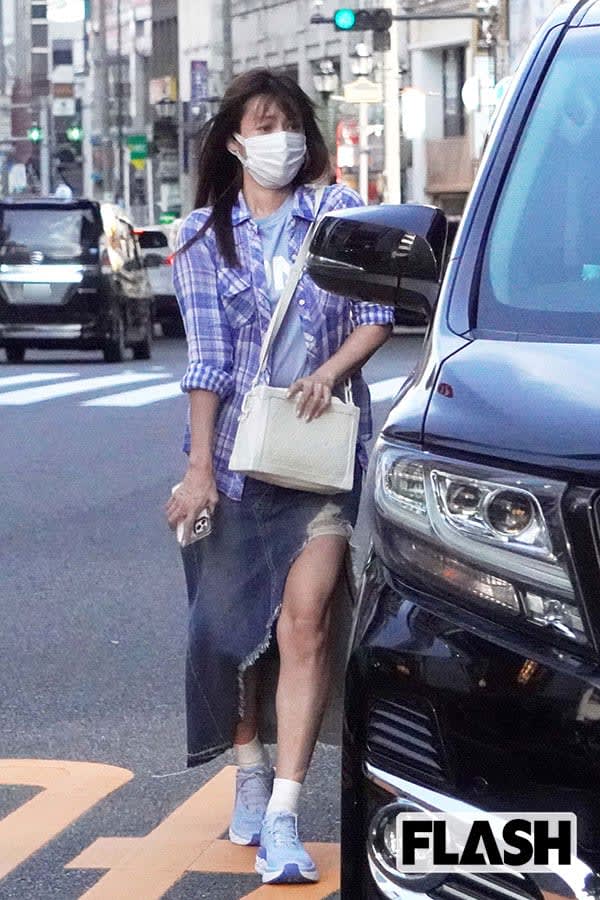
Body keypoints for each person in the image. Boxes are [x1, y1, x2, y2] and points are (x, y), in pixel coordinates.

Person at [165, 68, 394, 886]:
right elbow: (207, 361)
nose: (280, 139)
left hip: (320, 454)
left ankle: (287, 813)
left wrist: (329, 373)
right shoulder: (200, 235)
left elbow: (375, 317)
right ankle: (250, 767)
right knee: (229, 632)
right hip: (234, 457)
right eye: (264, 125)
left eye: (290, 123)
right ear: (233, 140)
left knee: (306, 623)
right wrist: (199, 470)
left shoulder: (340, 214)